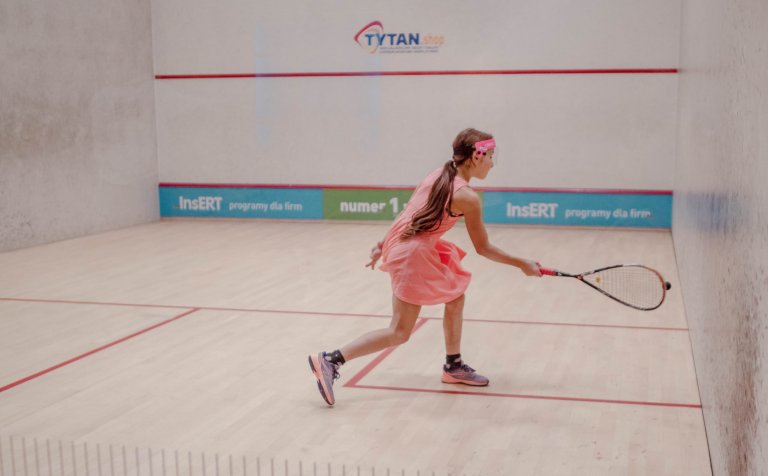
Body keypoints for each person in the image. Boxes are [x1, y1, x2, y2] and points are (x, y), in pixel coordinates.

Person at [309, 128, 542, 406]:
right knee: (399, 331)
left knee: (455, 297)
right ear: (476, 157)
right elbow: (483, 247)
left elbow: (407, 213)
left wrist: (383, 244)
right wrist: (522, 263)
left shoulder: (439, 174)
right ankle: (331, 359)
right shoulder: (467, 197)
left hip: (406, 243)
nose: (492, 163)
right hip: (412, 253)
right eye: (491, 156)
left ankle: (453, 365)